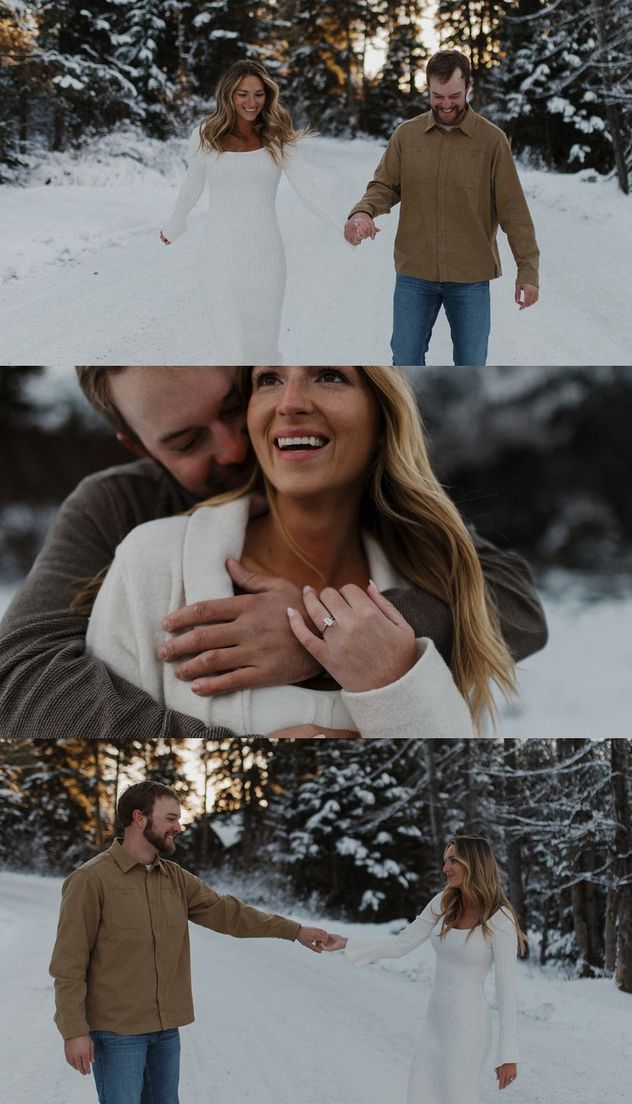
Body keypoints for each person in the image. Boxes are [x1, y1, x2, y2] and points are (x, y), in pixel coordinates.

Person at [0, 366, 546, 741]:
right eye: (187, 443)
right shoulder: (125, 512)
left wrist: (323, 634)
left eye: (235, 406)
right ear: (141, 447)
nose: (234, 449)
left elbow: (513, 604)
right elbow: (20, 678)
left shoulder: (378, 501)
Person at [49, 780, 330, 1104]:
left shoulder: (175, 878)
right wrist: (74, 1030)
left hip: (166, 1031)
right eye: (170, 818)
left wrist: (295, 931)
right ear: (139, 818)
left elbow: (230, 913)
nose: (178, 827)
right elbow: (68, 964)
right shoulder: (90, 880)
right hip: (117, 1034)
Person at [345, 49, 540, 366]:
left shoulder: (492, 141)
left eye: (454, 95)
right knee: (405, 362)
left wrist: (528, 272)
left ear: (468, 88)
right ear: (427, 89)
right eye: (437, 96)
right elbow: (383, 186)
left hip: (470, 277)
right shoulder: (406, 136)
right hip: (414, 274)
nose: (446, 104)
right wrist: (363, 211)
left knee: (471, 364)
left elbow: (514, 212)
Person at [159, 60, 342, 362]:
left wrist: (341, 225)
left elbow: (307, 187)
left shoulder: (278, 135)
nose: (251, 102)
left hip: (265, 257)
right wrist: (175, 224)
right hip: (217, 255)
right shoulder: (205, 133)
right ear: (228, 95)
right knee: (230, 348)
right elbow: (192, 185)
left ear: (268, 95)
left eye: (258, 94)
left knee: (263, 350)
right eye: (243, 94)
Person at [322, 835, 523, 1102]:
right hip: (434, 1026)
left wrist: (507, 1054)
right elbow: (401, 943)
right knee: (419, 1094)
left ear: (475, 863)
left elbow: (506, 992)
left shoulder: (500, 919)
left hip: (467, 1028)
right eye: (445, 861)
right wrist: (347, 943)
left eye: (453, 860)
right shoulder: (444, 903)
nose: (445, 868)